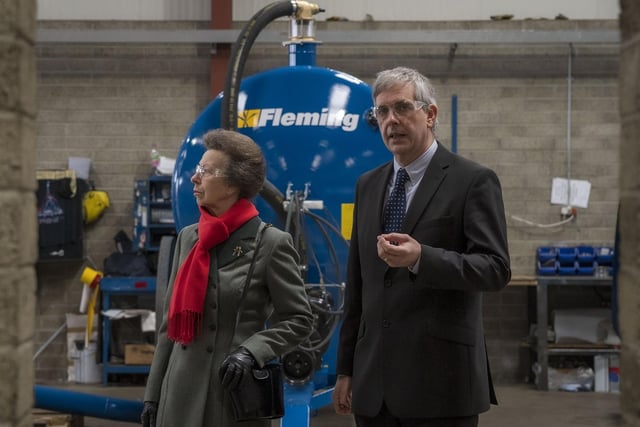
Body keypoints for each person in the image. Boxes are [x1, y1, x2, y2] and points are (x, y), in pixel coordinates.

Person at [332, 67, 511, 426]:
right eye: (381, 112)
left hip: (441, 383)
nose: (391, 120)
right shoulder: (367, 185)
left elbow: (495, 269)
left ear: (430, 115)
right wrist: (346, 369)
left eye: (401, 108)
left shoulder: (472, 181)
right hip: (374, 386)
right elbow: (359, 285)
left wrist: (421, 258)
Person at [142, 129, 314, 427]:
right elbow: (168, 329)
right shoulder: (188, 238)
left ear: (234, 184)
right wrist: (153, 396)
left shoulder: (271, 243)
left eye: (206, 171)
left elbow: (299, 319)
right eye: (197, 170)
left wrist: (253, 350)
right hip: (178, 397)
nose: (195, 178)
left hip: (230, 399)